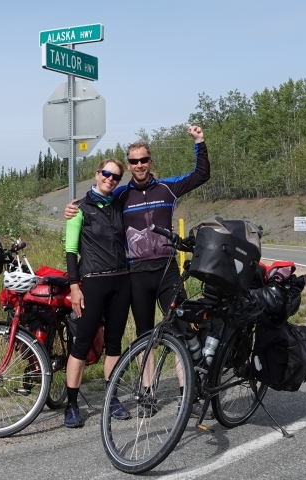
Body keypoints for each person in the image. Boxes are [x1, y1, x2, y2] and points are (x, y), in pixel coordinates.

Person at [65, 125, 209, 337]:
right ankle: (147, 373)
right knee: (144, 333)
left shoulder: (167, 188)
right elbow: (95, 202)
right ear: (129, 166)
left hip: (167, 269)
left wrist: (199, 142)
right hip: (137, 273)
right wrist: (73, 209)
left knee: (183, 329)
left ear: (150, 162)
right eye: (134, 161)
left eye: (143, 160)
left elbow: (201, 175)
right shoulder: (121, 196)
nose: (139, 165)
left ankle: (186, 371)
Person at [62, 159, 133, 428]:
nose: (110, 179)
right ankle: (71, 405)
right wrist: (74, 286)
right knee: (81, 344)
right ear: (97, 174)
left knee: (114, 345)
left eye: (115, 176)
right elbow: (70, 250)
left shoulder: (119, 203)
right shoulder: (79, 208)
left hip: (120, 282)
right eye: (106, 174)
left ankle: (112, 399)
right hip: (91, 283)